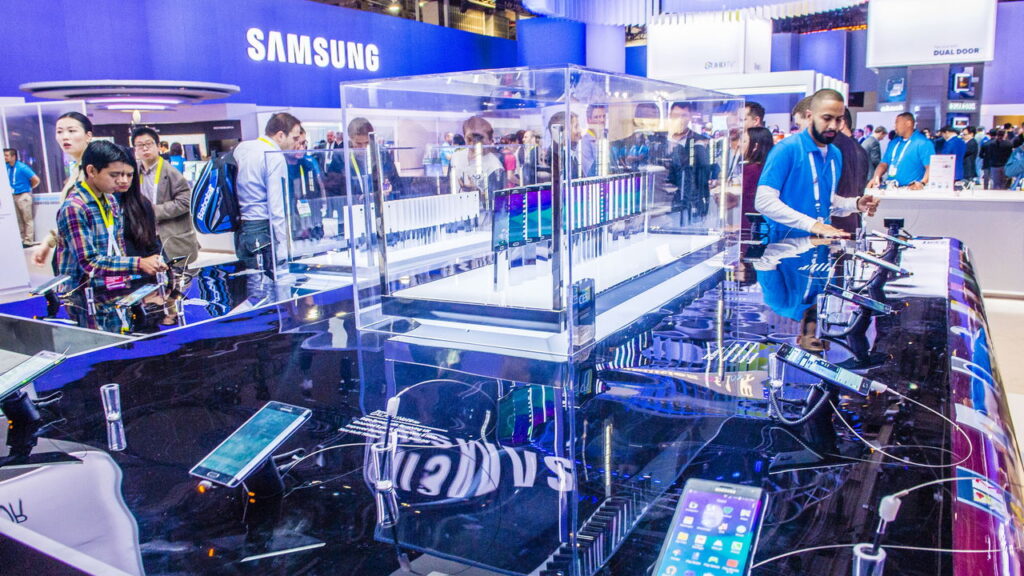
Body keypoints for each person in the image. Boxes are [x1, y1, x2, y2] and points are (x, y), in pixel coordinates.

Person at [55, 141, 166, 329]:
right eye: (114, 175)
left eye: (128, 175)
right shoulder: (74, 207)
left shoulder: (110, 201)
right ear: (92, 171)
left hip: (113, 294)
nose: (122, 181)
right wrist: (139, 263)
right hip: (83, 301)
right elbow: (89, 263)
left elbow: (118, 249)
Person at [754, 89, 879, 241]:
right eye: (827, 118)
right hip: (785, 243)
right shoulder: (786, 149)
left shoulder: (835, 154)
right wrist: (814, 225)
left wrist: (855, 204)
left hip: (820, 244)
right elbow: (764, 201)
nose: (833, 126)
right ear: (809, 116)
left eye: (838, 120)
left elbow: (825, 201)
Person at [232, 112, 303, 271]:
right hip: (263, 230)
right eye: (294, 138)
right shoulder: (274, 157)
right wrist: (284, 246)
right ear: (280, 135)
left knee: (251, 281)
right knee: (272, 282)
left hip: (242, 230)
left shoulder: (242, 148)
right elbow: (276, 207)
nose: (296, 143)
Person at [131, 127, 200, 265]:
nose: (145, 148)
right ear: (135, 149)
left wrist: (154, 211)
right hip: (144, 237)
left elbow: (186, 201)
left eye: (148, 144)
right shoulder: (133, 173)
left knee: (177, 274)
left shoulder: (170, 172)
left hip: (169, 237)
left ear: (158, 146)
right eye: (140, 145)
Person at [34, 111, 94, 267]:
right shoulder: (77, 168)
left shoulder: (92, 170)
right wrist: (49, 242)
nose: (65, 137)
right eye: (60, 132)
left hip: (86, 251)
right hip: (72, 247)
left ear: (88, 136)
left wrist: (49, 241)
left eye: (72, 131)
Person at [666, 102, 713, 225]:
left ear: (690, 117)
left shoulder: (700, 141)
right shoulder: (659, 140)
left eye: (684, 115)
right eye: (676, 115)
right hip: (662, 203)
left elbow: (705, 173)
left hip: (691, 204)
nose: (680, 119)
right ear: (670, 116)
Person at [114, 145, 161, 260]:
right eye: (118, 174)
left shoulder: (142, 204)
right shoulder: (97, 205)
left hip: (140, 268)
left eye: (129, 175)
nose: (124, 180)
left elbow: (152, 245)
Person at [831, 108, 871, 234]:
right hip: (852, 218)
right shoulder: (859, 149)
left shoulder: (836, 147)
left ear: (841, 122)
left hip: (837, 221)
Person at [868, 112, 933, 190]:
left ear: (908, 123)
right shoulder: (893, 143)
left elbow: (931, 167)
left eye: (897, 123)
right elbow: (883, 164)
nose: (895, 126)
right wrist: (876, 177)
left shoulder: (923, 143)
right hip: (891, 189)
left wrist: (922, 183)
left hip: (911, 191)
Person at [4, 148, 41, 247]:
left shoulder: (22, 167)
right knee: (18, 219)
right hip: (13, 195)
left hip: (23, 195)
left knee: (27, 219)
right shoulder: (7, 167)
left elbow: (36, 180)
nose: (4, 157)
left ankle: (28, 241)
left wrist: (28, 188)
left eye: (6, 155)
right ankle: (21, 240)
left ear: (13, 156)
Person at [740, 126, 774, 216]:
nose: (740, 144)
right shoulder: (768, 167)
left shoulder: (751, 169)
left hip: (748, 218)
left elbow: (745, 198)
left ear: (755, 146)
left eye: (744, 141)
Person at [580, 104, 607, 177]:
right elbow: (590, 173)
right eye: (597, 117)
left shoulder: (605, 138)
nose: (602, 120)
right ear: (589, 120)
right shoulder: (585, 142)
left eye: (604, 116)